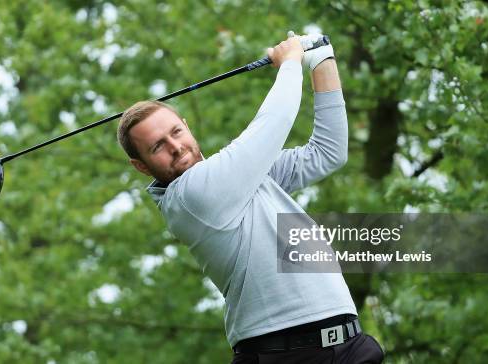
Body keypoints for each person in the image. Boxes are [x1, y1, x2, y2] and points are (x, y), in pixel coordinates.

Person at [117, 32, 384, 363]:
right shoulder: (190, 195)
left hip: (349, 345)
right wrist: (290, 63)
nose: (175, 147)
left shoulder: (240, 177)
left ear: (187, 127)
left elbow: (327, 153)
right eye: (157, 146)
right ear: (141, 166)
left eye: (176, 132)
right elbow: (272, 124)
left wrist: (321, 60)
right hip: (283, 354)